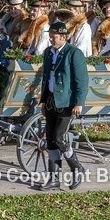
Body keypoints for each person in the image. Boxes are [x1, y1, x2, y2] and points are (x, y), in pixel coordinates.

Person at [38, 20, 88, 191]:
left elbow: (81, 80)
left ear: (64, 37)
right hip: (51, 100)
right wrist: (44, 101)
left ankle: (77, 168)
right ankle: (53, 179)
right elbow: (46, 78)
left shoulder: (74, 53)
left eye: (54, 37)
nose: (51, 39)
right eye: (50, 36)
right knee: (50, 139)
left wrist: (79, 103)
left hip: (67, 102)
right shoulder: (48, 52)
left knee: (59, 138)